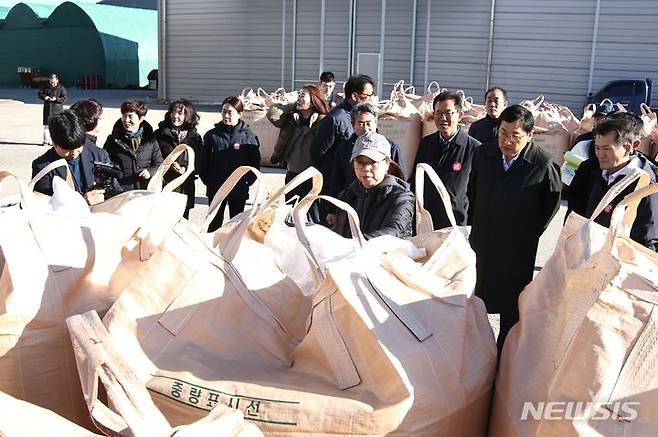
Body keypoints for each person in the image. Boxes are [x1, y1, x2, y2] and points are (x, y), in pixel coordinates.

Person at [468, 104, 561, 354]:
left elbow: (548, 209)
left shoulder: (543, 165)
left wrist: (524, 233)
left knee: (511, 307)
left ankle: (504, 357)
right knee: (475, 300)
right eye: (503, 133)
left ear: (530, 135)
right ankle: (476, 354)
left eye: (515, 135)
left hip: (516, 250)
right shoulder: (484, 154)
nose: (507, 141)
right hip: (482, 243)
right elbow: (473, 191)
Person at [567, 115, 658, 251]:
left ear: (628, 148)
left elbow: (647, 235)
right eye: (597, 148)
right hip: (588, 253)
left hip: (620, 259)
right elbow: (576, 212)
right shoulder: (592, 170)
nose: (600, 154)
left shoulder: (646, 182)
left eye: (607, 149)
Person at [411, 90, 481, 229]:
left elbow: (479, 194)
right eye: (438, 113)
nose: (443, 118)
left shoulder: (474, 149)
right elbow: (415, 180)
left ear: (460, 115)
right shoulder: (426, 143)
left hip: (458, 223)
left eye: (448, 113)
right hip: (427, 221)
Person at [311, 74, 375, 224]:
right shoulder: (337, 118)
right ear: (354, 96)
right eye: (367, 96)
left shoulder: (366, 116)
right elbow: (317, 152)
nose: (371, 99)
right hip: (338, 186)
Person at [334, 132, 414, 240]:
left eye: (372, 162)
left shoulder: (401, 198)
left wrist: (357, 243)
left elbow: (394, 232)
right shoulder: (347, 195)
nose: (366, 168)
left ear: (387, 164)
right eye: (360, 162)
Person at [200, 96, 261, 232]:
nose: (226, 115)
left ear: (240, 114)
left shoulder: (249, 137)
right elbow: (203, 162)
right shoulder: (212, 136)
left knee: (236, 224)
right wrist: (209, 181)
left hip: (239, 189)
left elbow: (255, 164)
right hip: (216, 188)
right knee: (214, 223)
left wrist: (246, 182)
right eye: (223, 111)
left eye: (230, 112)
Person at [32, 110, 118, 204]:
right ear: (54, 143)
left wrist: (104, 197)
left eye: (78, 147)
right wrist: (81, 201)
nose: (74, 153)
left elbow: (116, 190)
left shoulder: (98, 154)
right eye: (68, 150)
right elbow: (44, 204)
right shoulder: (43, 167)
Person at [266, 84, 330, 208]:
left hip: (312, 176)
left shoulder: (322, 121)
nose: (299, 98)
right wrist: (292, 105)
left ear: (313, 100)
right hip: (292, 174)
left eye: (303, 96)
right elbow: (272, 114)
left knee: (311, 216)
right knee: (289, 214)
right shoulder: (291, 119)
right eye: (298, 96)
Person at [326, 103, 405, 199]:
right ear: (352, 125)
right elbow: (336, 181)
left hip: (382, 200)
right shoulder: (344, 149)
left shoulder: (390, 147)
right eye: (360, 124)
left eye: (369, 123)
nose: (365, 128)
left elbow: (400, 178)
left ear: (375, 123)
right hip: (352, 200)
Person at [155, 99, 203, 219]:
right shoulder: (159, 134)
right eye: (173, 112)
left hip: (185, 185)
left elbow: (200, 161)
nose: (175, 116)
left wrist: (186, 169)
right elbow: (154, 157)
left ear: (188, 116)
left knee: (183, 221)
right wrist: (168, 164)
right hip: (165, 184)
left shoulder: (195, 138)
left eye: (180, 113)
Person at [104, 99, 163, 192]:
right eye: (124, 116)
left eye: (130, 116)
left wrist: (150, 172)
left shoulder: (150, 140)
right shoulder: (113, 140)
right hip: (121, 191)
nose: (126, 120)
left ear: (141, 118)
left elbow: (159, 164)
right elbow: (105, 165)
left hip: (144, 190)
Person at [38, 73, 67, 146]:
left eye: (53, 81)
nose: (52, 83)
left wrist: (56, 99)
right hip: (47, 109)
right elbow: (40, 94)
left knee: (57, 127)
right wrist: (45, 97)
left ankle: (55, 142)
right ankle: (45, 141)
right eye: (51, 81)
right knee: (46, 126)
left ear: (57, 80)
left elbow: (64, 98)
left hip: (57, 110)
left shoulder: (61, 88)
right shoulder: (45, 87)